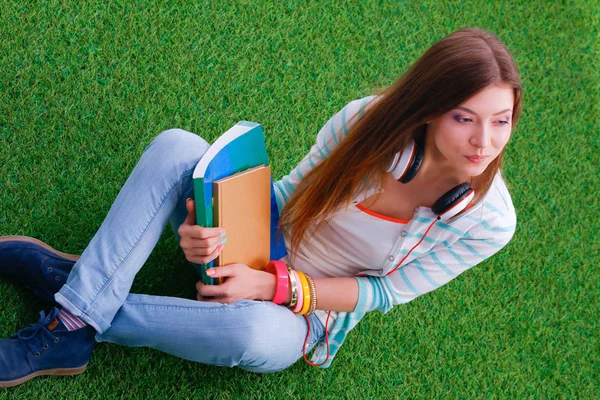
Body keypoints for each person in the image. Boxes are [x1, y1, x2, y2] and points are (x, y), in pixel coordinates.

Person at [0, 27, 521, 387]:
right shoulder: (367, 122)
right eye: (464, 118)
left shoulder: (489, 223)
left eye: (501, 120)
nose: (484, 142)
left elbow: (383, 293)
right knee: (180, 145)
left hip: (302, 313)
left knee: (254, 335)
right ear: (428, 111)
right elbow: (289, 195)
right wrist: (202, 221)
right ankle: (74, 315)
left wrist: (272, 287)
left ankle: (78, 299)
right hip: (257, 239)